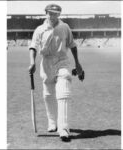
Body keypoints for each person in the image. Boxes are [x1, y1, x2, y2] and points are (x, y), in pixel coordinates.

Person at [28, 4, 84, 141]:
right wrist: (32, 62)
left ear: (59, 15)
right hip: (46, 62)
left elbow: (72, 45)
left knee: (63, 89)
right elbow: (33, 47)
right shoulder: (39, 29)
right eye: (50, 13)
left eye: (56, 14)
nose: (53, 16)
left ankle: (63, 128)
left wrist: (77, 63)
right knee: (48, 95)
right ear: (46, 13)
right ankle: (52, 122)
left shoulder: (64, 27)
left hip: (62, 60)